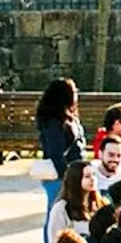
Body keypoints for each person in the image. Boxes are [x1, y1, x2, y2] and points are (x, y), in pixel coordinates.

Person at [35, 78, 85, 219]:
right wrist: (67, 176)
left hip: (73, 170)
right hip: (61, 175)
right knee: (56, 213)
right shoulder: (54, 121)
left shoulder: (69, 117)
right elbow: (55, 152)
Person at [47, 160, 102, 243]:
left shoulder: (100, 204)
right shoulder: (61, 208)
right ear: (76, 179)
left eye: (94, 174)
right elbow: (54, 242)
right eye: (87, 176)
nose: (93, 179)